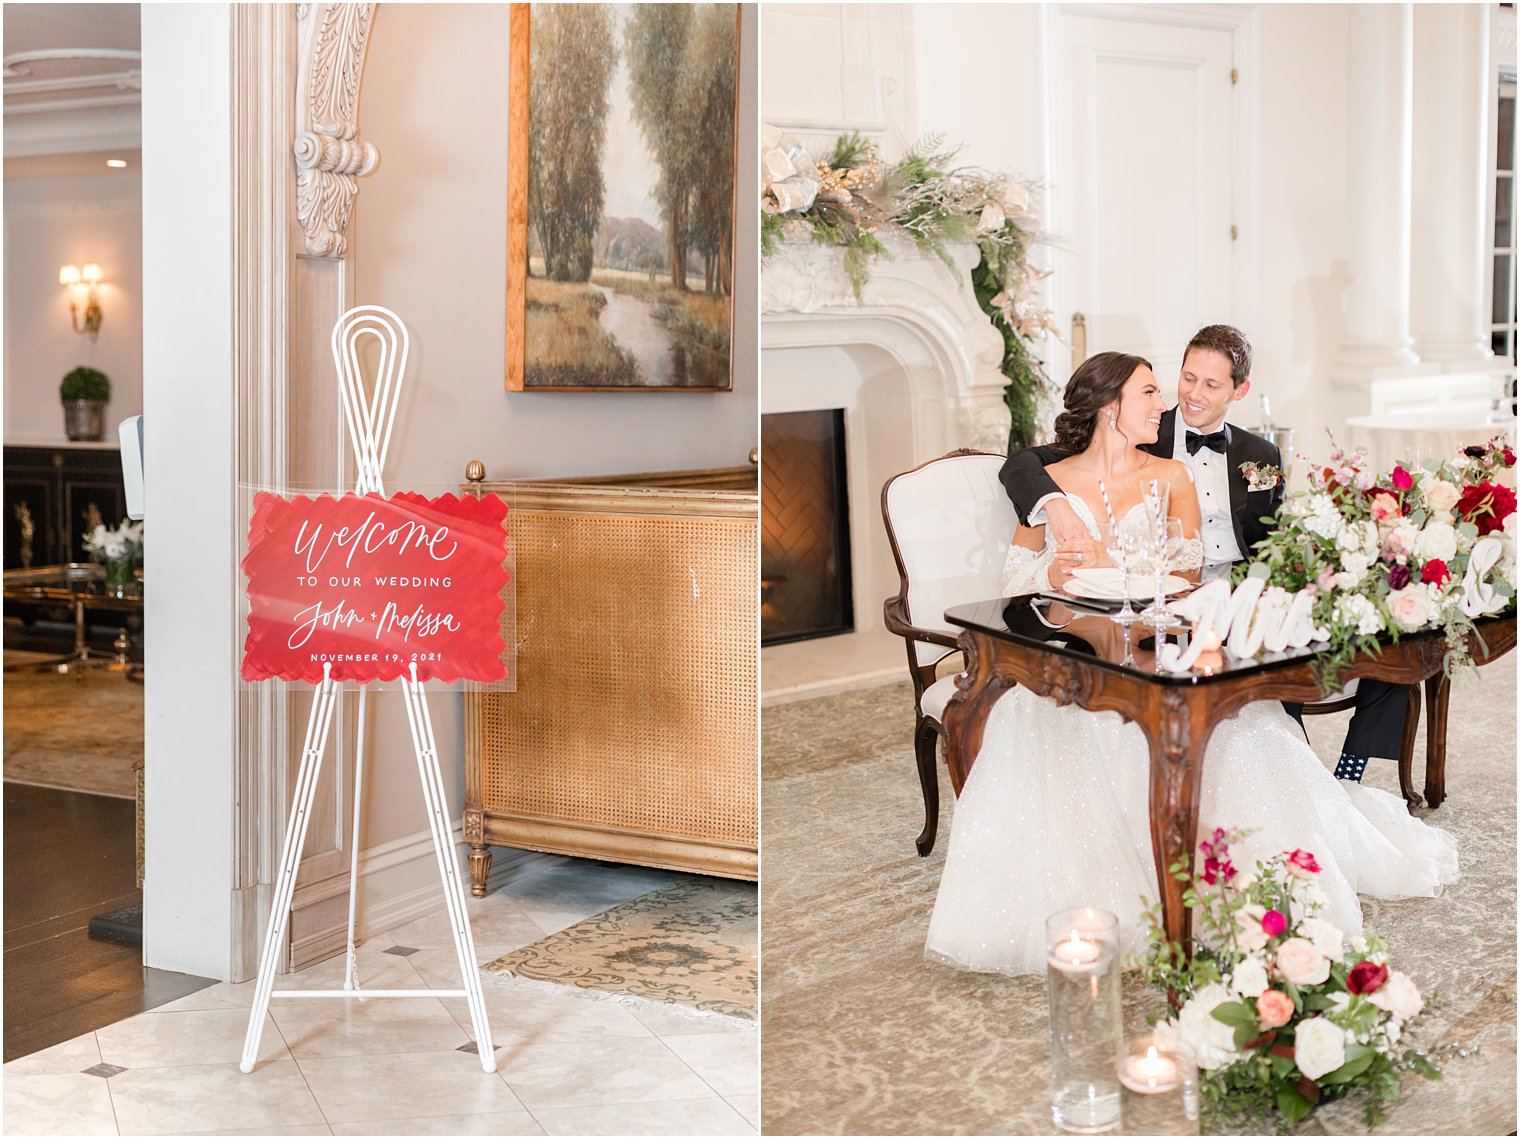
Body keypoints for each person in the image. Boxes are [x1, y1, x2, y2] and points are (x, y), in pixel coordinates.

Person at [924, 352, 1457, 976]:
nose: (1163, 404)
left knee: (1235, 727)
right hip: (1082, 653)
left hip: (1162, 642)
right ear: (1108, 406)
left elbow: (1184, 569)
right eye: (1150, 393)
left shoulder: (1171, 472)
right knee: (1049, 723)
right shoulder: (1050, 482)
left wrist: (1140, 578)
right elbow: (1016, 578)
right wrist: (1051, 569)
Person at [998, 325, 1411, 784]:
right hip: (1172, 601)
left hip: (1243, 586)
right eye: (1187, 377)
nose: (1191, 394)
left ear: (1240, 390)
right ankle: (1290, 748)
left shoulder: (1261, 453)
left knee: (1391, 621)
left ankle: (1351, 763)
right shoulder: (1141, 431)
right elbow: (1022, 465)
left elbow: (1271, 539)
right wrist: (1054, 505)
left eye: (1211, 385)